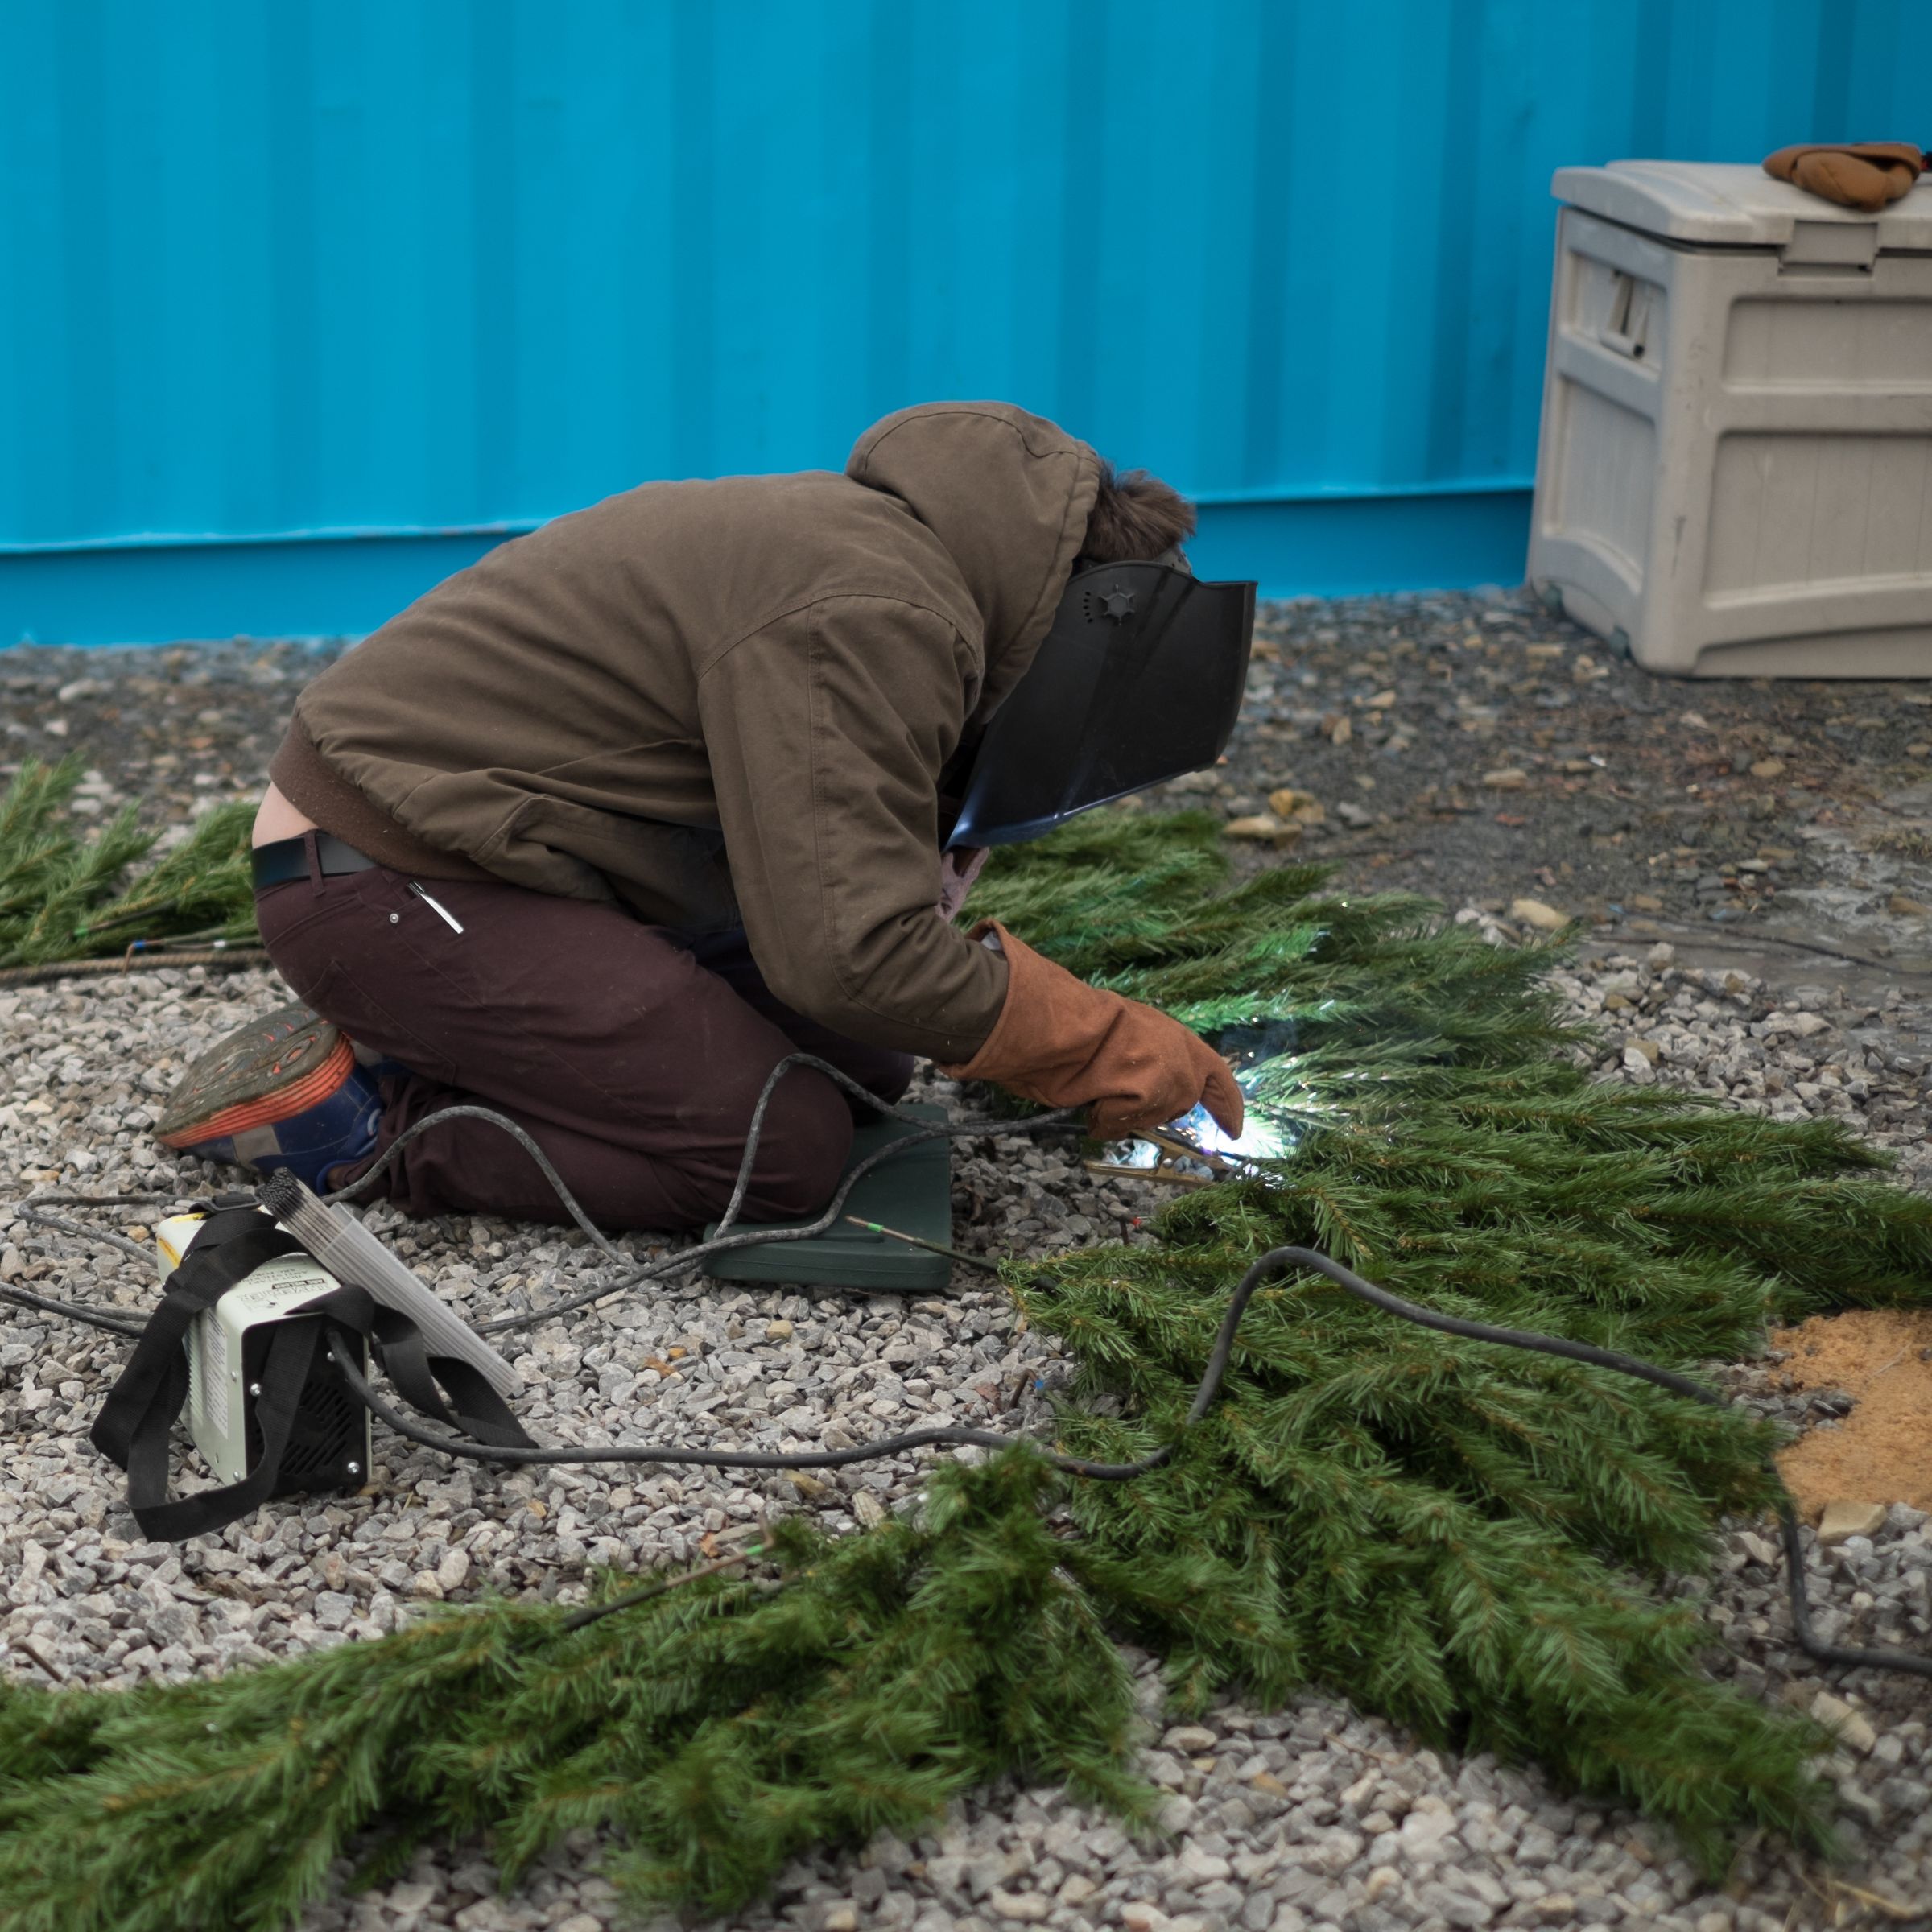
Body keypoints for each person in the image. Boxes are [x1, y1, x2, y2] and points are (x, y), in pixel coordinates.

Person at [158, 402, 1247, 1230]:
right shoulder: (873, 609)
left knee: (865, 1067)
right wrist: (1099, 1043)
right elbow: (852, 953)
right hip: (378, 875)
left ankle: (470, 1044)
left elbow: (835, 895)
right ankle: (363, 1126)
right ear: (1074, 610)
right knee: (783, 1151)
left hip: (508, 855)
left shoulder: (894, 564)